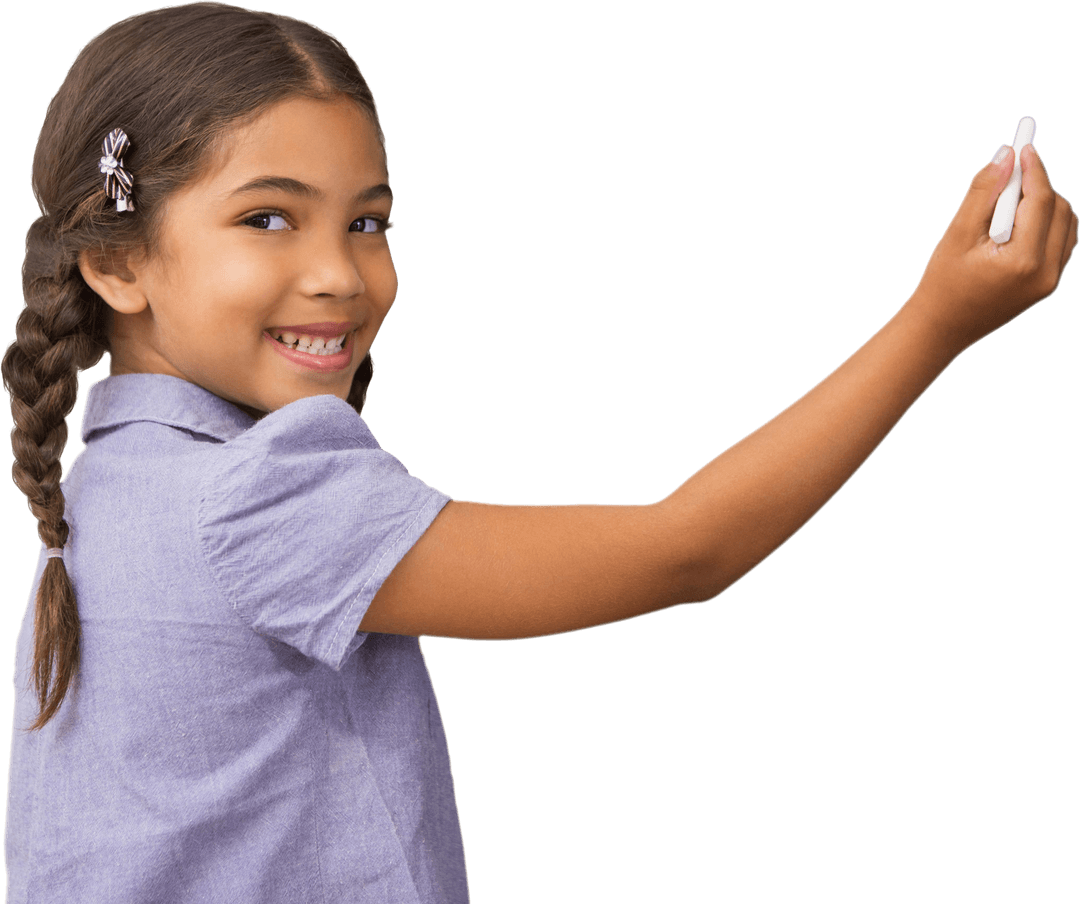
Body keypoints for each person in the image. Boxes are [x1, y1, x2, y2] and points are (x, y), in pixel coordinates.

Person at [3, 1, 1076, 901]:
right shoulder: (255, 496)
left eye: (367, 223)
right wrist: (937, 322)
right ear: (118, 262)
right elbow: (685, 551)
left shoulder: (107, 484)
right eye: (269, 220)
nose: (339, 274)